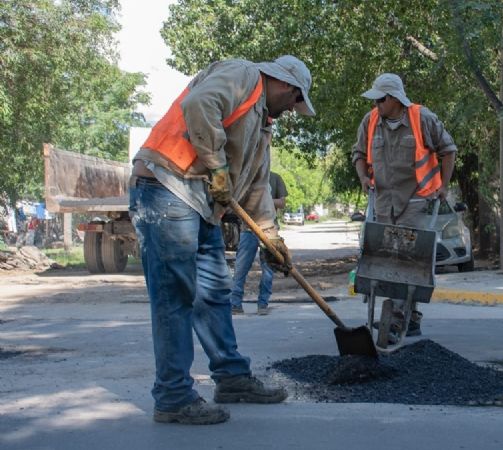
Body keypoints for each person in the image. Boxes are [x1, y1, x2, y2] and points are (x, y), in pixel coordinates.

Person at [129, 56, 315, 425]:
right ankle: (173, 396)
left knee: (214, 292)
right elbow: (199, 104)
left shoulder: (262, 127)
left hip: (198, 203)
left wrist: (272, 240)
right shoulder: (244, 75)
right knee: (175, 296)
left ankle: (231, 378)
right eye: (295, 102)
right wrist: (215, 166)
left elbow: (257, 188)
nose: (292, 111)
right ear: (287, 87)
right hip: (166, 185)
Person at [351, 73, 457, 340]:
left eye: (381, 99)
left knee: (408, 259)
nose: (376, 104)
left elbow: (449, 150)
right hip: (384, 201)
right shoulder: (371, 121)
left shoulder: (422, 118)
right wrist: (363, 176)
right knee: (387, 260)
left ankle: (399, 318)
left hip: (416, 200)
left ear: (395, 98)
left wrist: (444, 185)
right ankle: (407, 318)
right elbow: (358, 153)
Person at [230, 171, 288, 315]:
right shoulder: (246, 174)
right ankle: (235, 304)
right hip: (248, 229)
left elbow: (282, 202)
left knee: (268, 269)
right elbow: (237, 201)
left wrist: (264, 199)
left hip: (269, 231)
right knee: (241, 268)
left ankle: (263, 304)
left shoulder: (275, 177)